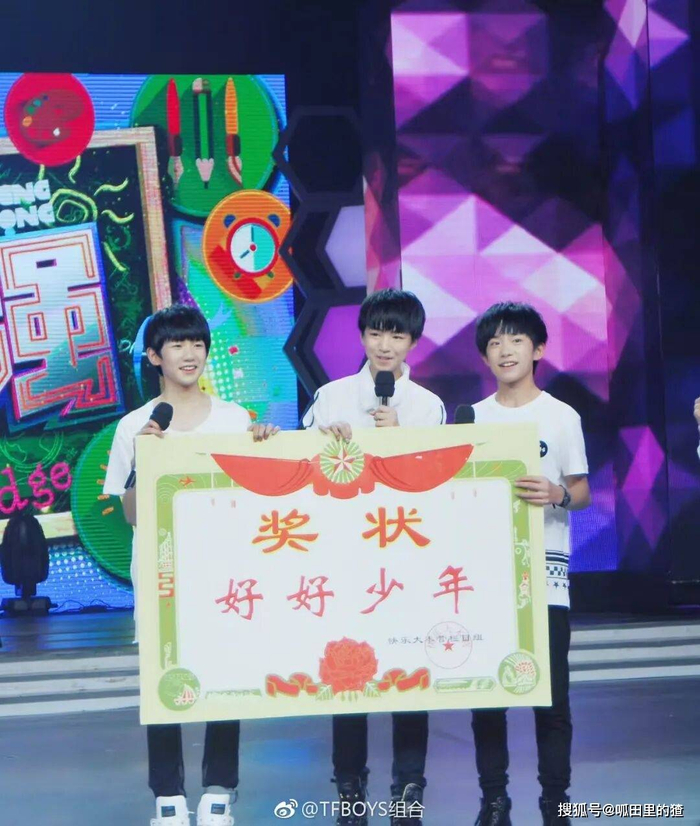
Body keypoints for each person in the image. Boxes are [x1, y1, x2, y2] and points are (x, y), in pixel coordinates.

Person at [104, 304, 278, 826]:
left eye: (197, 344)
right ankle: (168, 797)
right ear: (154, 356)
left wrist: (267, 444)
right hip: (163, 574)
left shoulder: (234, 419)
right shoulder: (134, 426)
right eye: (177, 344)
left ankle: (220, 790)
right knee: (164, 679)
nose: (190, 354)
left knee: (226, 676)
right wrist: (145, 460)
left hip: (225, 571)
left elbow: (258, 493)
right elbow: (131, 514)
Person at [302, 288, 445, 826]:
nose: (385, 345)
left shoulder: (427, 406)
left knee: (409, 672)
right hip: (345, 561)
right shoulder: (331, 396)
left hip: (406, 562)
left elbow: (439, 485)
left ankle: (409, 786)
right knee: (348, 673)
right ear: (362, 336)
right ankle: (350, 788)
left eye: (397, 335)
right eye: (376, 333)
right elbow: (300, 472)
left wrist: (401, 442)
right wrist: (322, 442)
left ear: (413, 341)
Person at [470, 302, 591, 826]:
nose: (505, 351)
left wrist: (556, 492)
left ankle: (555, 801)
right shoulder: (472, 417)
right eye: (495, 343)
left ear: (538, 349)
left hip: (545, 577)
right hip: (486, 577)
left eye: (516, 340)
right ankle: (494, 801)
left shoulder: (562, 416)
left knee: (552, 699)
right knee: (488, 698)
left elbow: (582, 491)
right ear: (485, 356)